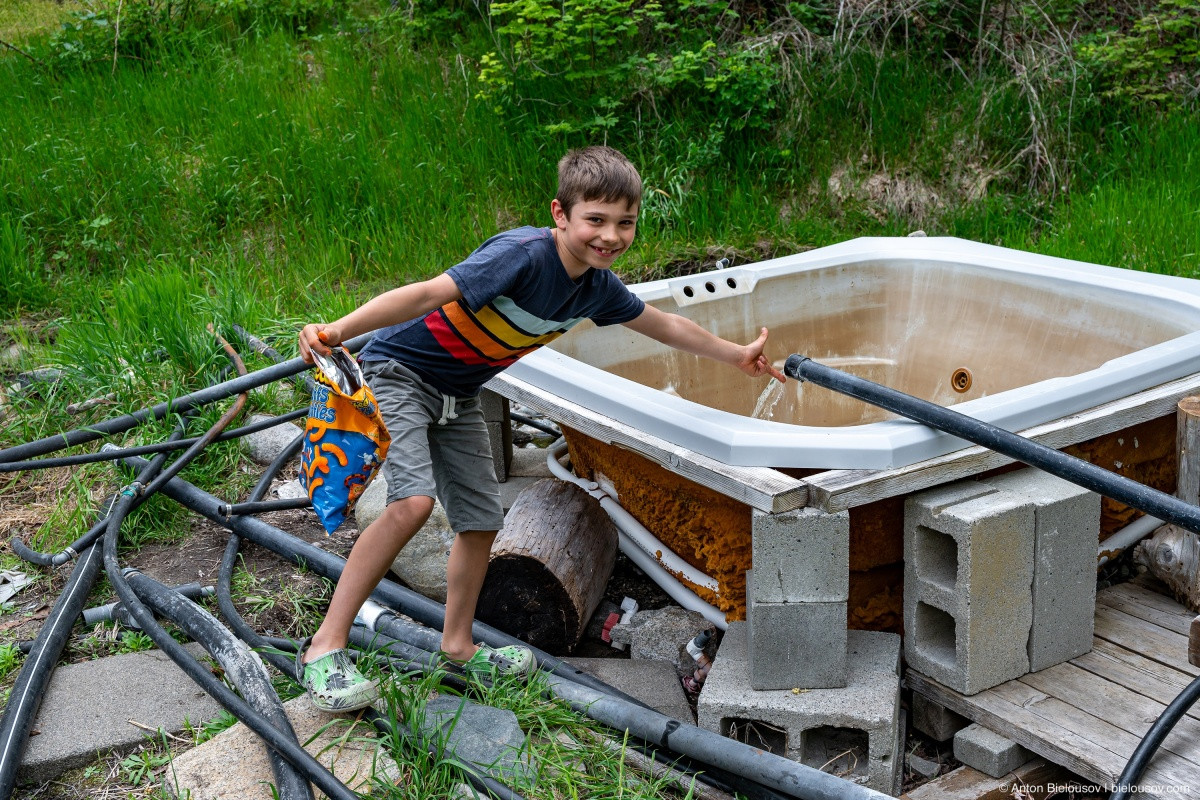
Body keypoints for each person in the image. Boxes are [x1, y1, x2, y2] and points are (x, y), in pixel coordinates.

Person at [295, 145, 785, 711]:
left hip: (458, 393)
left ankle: (457, 647)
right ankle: (325, 646)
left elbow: (666, 325)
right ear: (561, 214)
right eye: (595, 220)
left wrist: (735, 355)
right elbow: (429, 292)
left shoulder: (596, 288)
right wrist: (338, 328)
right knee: (411, 504)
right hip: (401, 373)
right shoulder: (522, 257)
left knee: (480, 522)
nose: (610, 235)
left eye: (625, 223)